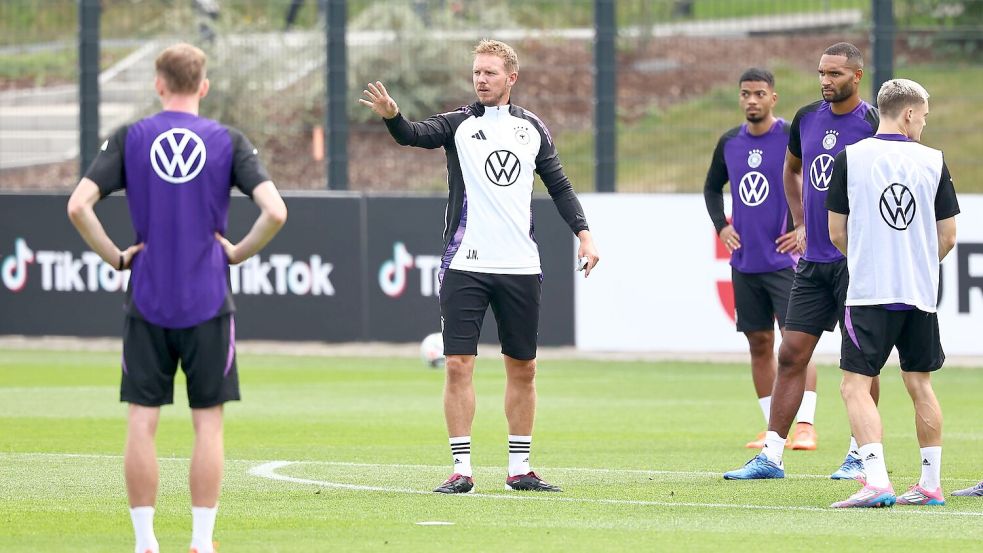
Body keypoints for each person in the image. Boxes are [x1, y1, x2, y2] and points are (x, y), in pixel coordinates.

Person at [67, 43, 287, 553]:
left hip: (147, 299)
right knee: (207, 423)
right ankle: (201, 542)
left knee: (142, 422)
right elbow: (275, 212)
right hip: (209, 300)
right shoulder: (228, 140)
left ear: (158, 83)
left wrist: (117, 258)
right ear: (203, 86)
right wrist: (237, 254)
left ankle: (145, 543)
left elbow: (78, 205)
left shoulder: (131, 137)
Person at [358, 39, 599, 494]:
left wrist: (584, 234)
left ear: (512, 77)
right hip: (465, 264)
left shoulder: (532, 130)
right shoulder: (458, 124)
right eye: (476, 73)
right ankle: (462, 470)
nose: (481, 80)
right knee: (457, 364)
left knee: (523, 367)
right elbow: (413, 134)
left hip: (520, 266)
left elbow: (561, 187)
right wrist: (393, 115)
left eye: (490, 72)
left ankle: (520, 468)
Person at [724, 42, 880, 481]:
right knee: (790, 354)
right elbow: (791, 169)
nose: (826, 81)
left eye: (834, 74)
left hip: (855, 262)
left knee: (861, 361)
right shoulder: (808, 118)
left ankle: (860, 456)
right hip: (812, 263)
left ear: (856, 76)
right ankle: (771, 456)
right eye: (821, 73)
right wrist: (800, 220)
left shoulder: (871, 122)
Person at [825, 78, 959, 507]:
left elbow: (836, 232)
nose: (923, 123)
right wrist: (917, 262)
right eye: (922, 116)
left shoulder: (851, 158)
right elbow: (949, 236)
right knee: (920, 383)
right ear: (907, 114)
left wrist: (868, 257)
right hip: (919, 292)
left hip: (869, 291)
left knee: (854, 386)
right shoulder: (934, 160)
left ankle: (877, 480)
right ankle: (930, 485)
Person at [703, 68, 819, 451]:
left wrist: (804, 228)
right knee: (758, 343)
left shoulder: (791, 136)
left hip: (786, 263)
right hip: (745, 263)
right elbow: (710, 187)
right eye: (745, 94)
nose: (751, 100)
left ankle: (805, 425)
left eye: (759, 93)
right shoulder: (730, 142)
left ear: (773, 98)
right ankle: (772, 428)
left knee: (796, 344)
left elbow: (816, 181)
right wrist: (721, 226)